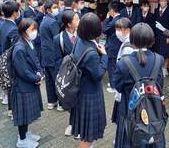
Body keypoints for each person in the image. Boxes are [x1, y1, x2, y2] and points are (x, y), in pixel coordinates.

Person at [112, 23, 165, 148]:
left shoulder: (123, 63)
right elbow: (160, 85)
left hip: (129, 114)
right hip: (153, 112)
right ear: (151, 40)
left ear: (132, 39)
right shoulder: (159, 59)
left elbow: (117, 86)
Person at [70, 13, 108, 148]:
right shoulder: (91, 53)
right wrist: (104, 56)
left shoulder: (79, 40)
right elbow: (98, 75)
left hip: (80, 90)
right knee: (88, 136)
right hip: (90, 93)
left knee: (85, 132)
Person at [12, 18, 44, 148]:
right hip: (22, 87)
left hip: (29, 84)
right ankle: (22, 139)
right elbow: (23, 72)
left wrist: (40, 73)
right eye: (32, 29)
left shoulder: (28, 42)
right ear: (24, 31)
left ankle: (26, 133)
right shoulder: (20, 48)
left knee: (28, 113)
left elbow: (35, 61)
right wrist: (37, 78)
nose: (35, 32)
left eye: (36, 29)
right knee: (23, 114)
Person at [53, 10, 80, 136]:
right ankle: (71, 123)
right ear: (69, 24)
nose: (79, 21)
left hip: (80, 75)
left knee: (81, 101)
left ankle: (79, 124)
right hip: (69, 76)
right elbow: (57, 60)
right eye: (76, 19)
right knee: (71, 101)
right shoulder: (59, 39)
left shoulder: (81, 35)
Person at [111, 18, 134, 127]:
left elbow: (124, 70)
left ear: (128, 30)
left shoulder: (128, 47)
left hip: (125, 89)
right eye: (116, 29)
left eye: (120, 29)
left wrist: (117, 87)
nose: (117, 32)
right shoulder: (127, 42)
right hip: (126, 88)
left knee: (123, 116)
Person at [39, 0, 60, 110]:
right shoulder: (52, 22)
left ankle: (51, 101)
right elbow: (56, 39)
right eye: (55, 7)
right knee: (56, 78)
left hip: (46, 54)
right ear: (48, 10)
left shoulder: (44, 20)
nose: (57, 9)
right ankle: (60, 102)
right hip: (53, 55)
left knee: (49, 80)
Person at [0, 0, 20, 107]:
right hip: (11, 61)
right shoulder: (13, 29)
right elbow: (15, 50)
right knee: (13, 87)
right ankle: (12, 110)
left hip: (4, 57)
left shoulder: (3, 25)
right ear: (14, 13)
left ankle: (11, 110)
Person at [103, 0, 122, 93]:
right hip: (118, 44)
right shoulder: (121, 17)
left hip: (112, 46)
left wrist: (107, 18)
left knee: (111, 67)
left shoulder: (114, 20)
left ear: (111, 10)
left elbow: (104, 29)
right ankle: (114, 83)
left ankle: (113, 86)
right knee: (116, 66)